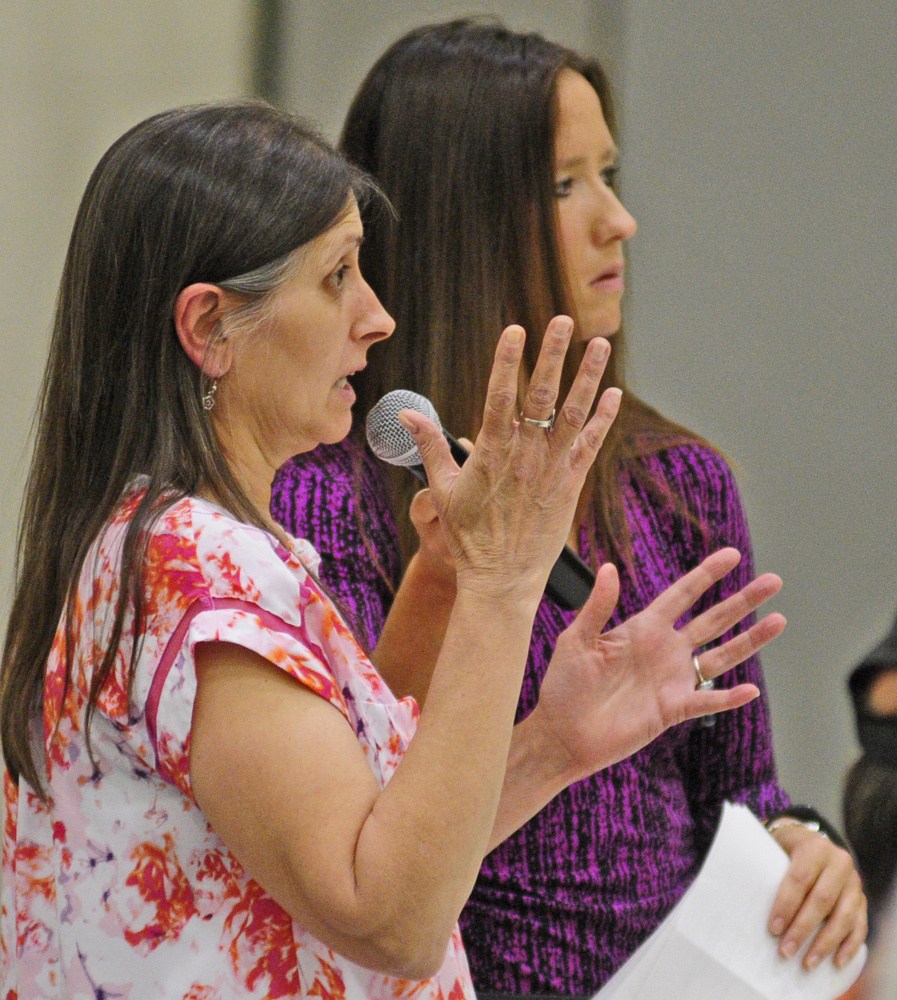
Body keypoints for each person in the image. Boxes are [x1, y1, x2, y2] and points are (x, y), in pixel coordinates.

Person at [0, 102, 785, 999]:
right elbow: (392, 921)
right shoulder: (198, 573)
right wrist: (500, 584)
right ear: (210, 328)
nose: (377, 319)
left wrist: (550, 742)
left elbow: (363, 847)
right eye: (338, 276)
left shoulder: (160, 542)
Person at [271, 18, 867, 995]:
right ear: (462, 215)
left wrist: (807, 848)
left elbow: (739, 791)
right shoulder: (324, 502)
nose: (617, 220)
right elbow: (351, 854)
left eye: (611, 174)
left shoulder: (679, 483)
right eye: (564, 184)